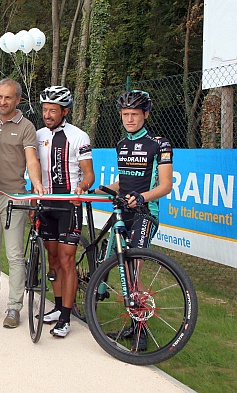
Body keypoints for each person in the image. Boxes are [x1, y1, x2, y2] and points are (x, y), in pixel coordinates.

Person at [100, 90, 173, 351]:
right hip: (123, 211)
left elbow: (165, 186)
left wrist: (141, 198)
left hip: (145, 213)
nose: (129, 119)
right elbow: (123, 182)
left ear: (145, 115)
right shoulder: (121, 144)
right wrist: (98, 190)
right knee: (118, 267)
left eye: (134, 114)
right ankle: (132, 323)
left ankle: (141, 332)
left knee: (133, 270)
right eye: (125, 114)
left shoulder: (160, 144)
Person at [0, 78, 44, 329]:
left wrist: (36, 183)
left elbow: (32, 160)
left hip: (14, 198)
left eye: (8, 97)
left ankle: (14, 307)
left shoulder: (26, 127)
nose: (2, 102)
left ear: (18, 100)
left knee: (14, 255)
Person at [36, 86, 95, 338]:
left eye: (53, 110)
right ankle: (58, 306)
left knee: (67, 260)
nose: (48, 114)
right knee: (52, 260)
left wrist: (82, 186)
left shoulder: (78, 136)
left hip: (68, 205)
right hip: (46, 204)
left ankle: (67, 317)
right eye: (45, 110)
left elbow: (89, 173)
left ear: (65, 111)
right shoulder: (37, 135)